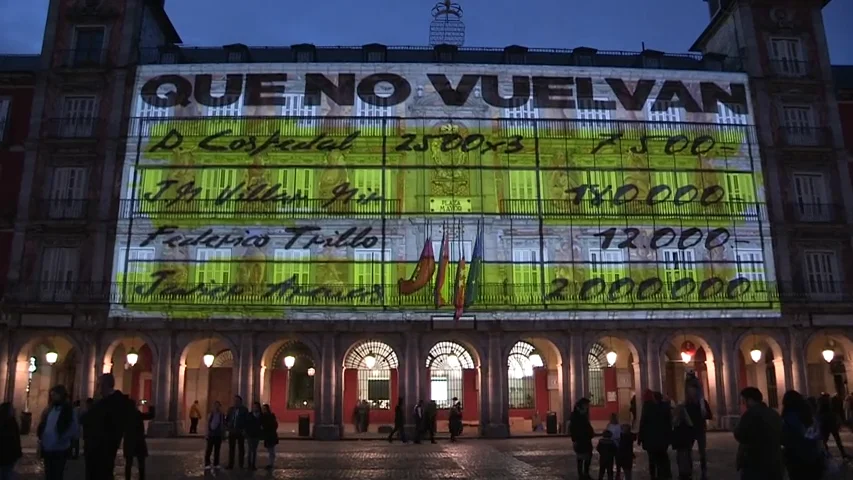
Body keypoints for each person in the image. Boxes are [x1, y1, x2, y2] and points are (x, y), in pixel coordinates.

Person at [83, 374, 135, 480]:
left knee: (102, 474)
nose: (97, 388)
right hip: (98, 447)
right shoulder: (105, 402)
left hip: (103, 448)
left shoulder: (112, 403)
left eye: (98, 384)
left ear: (104, 385)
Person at [734, 387, 783, 480]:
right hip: (774, 460)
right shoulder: (773, 413)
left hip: (754, 461)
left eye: (743, 401)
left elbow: (740, 434)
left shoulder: (750, 414)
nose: (743, 404)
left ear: (750, 400)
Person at [37, 385, 79, 480]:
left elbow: (73, 428)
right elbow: (45, 424)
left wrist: (62, 438)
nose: (52, 398)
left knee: (57, 474)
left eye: (54, 395)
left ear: (61, 395)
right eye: (51, 395)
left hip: (59, 448)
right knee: (48, 474)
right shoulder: (49, 409)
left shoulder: (68, 410)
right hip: (47, 447)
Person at [781, 390, 825, 480]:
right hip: (814, 456)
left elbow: (786, 438)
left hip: (797, 458)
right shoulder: (810, 415)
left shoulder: (790, 417)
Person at [638, 390, 671, 480]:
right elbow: (669, 423)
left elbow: (643, 423)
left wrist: (640, 438)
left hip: (651, 439)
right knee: (662, 457)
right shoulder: (665, 407)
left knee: (652, 459)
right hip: (662, 439)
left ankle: (654, 475)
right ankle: (663, 474)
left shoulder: (648, 407)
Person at [684, 381, 711, 480]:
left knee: (702, 452)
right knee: (688, 451)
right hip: (689, 430)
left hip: (700, 429)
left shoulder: (702, 403)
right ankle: (689, 470)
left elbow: (709, 415)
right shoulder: (687, 403)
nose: (691, 392)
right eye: (689, 389)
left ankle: (704, 471)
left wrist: (704, 413)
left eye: (693, 389)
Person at [122, 402, 155, 480]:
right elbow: (151, 415)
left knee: (128, 463)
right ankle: (141, 478)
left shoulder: (125, 416)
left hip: (129, 441)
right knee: (141, 463)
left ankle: (127, 478)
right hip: (139, 441)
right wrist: (150, 405)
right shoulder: (137, 414)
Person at [570, 398, 594, 480]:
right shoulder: (576, 415)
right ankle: (581, 475)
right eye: (586, 405)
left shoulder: (583, 414)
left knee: (588, 456)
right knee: (580, 457)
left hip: (586, 438)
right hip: (580, 439)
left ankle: (585, 473)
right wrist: (574, 439)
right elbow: (572, 428)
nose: (587, 407)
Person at [818, 393, 847, 458]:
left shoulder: (822, 404)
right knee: (835, 439)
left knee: (825, 439)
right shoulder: (828, 404)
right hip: (829, 422)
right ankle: (842, 453)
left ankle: (826, 452)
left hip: (826, 422)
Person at [671, 404, 695, 480]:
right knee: (686, 458)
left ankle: (684, 473)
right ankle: (687, 473)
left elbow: (675, 434)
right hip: (685, 444)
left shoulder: (677, 423)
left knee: (682, 458)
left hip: (681, 444)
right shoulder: (688, 423)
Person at [225, 395, 248, 469]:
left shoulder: (244, 410)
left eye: (237, 401)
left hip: (240, 431)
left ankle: (241, 464)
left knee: (241, 448)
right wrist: (227, 427)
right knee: (231, 448)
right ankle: (230, 464)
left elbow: (246, 420)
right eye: (234, 401)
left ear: (240, 402)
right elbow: (227, 419)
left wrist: (244, 429)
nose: (235, 402)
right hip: (232, 431)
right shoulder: (231, 409)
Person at [0, 402, 22, 480]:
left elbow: (16, 439)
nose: (14, 410)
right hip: (8, 454)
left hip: (9, 455)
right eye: (11, 409)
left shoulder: (12, 422)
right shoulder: (11, 422)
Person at [204, 401, 225, 470]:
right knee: (209, 449)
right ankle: (207, 463)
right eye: (215, 405)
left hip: (218, 434)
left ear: (220, 406)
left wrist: (223, 434)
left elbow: (222, 425)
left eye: (218, 405)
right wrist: (207, 433)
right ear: (213, 406)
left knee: (217, 450)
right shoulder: (211, 414)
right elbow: (207, 424)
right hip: (211, 434)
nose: (217, 407)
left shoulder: (221, 415)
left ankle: (216, 463)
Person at [244, 402, 262, 471]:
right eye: (254, 407)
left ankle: (253, 464)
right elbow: (246, 424)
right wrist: (246, 432)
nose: (255, 408)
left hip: (256, 435)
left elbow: (261, 424)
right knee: (250, 450)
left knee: (254, 450)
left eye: (256, 407)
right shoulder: (249, 415)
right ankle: (249, 464)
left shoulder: (260, 415)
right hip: (250, 435)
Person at [260, 404, 278, 470]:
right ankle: (271, 463)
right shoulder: (263, 416)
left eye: (264, 409)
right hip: (268, 435)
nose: (263, 410)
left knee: (271, 450)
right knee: (270, 450)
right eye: (263, 409)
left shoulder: (269, 416)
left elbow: (274, 425)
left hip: (271, 435)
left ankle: (271, 464)